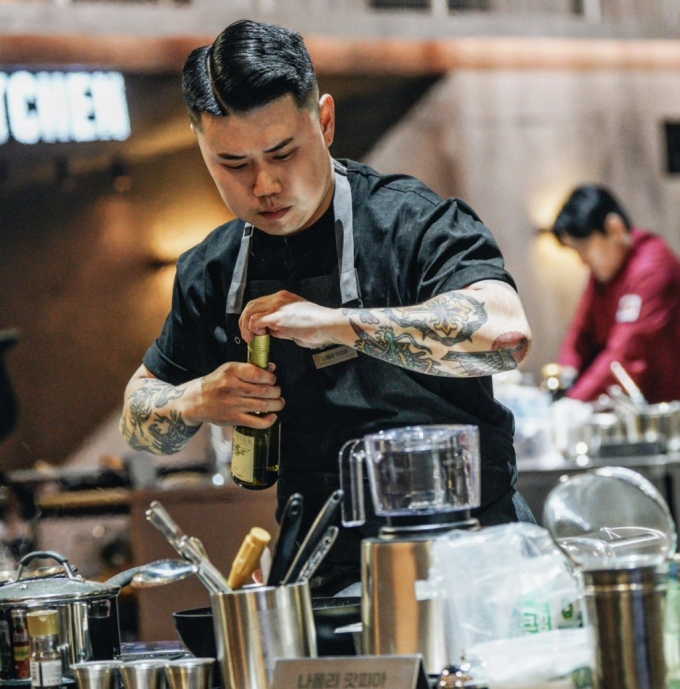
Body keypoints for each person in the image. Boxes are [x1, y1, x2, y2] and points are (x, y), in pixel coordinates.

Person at [120, 20, 534, 591]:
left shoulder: (410, 223)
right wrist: (196, 399)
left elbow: (505, 335)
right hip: (319, 570)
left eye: (282, 152)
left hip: (471, 551)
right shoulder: (211, 270)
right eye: (233, 165)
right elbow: (137, 416)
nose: (264, 185)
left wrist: (339, 324)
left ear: (326, 121)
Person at [553, 184, 680, 403]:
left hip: (667, 408)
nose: (582, 259)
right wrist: (565, 376)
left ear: (615, 228)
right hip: (637, 405)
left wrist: (574, 401)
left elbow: (627, 353)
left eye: (584, 248)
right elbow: (580, 331)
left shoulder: (653, 268)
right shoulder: (605, 271)